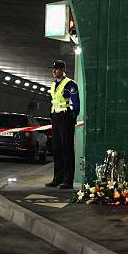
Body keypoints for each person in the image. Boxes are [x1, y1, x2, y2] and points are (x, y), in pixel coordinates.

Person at [45, 60, 79, 189]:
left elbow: (76, 102)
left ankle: (68, 180)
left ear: (62, 70)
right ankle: (57, 178)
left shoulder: (70, 84)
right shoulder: (53, 84)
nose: (53, 71)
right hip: (56, 118)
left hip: (65, 118)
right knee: (57, 149)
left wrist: (73, 116)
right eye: (53, 69)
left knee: (67, 150)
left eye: (56, 69)